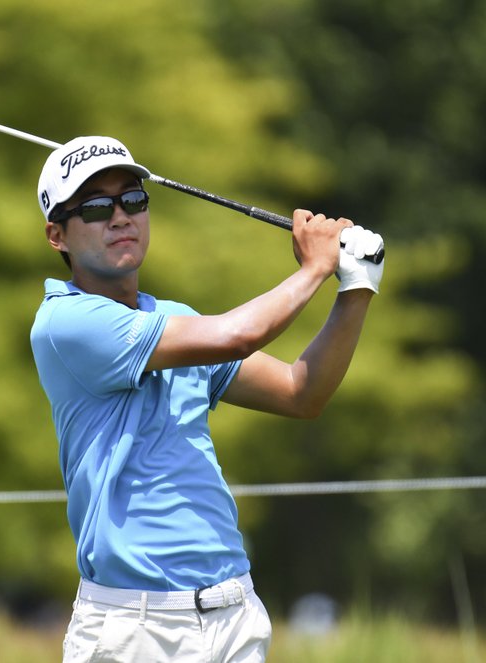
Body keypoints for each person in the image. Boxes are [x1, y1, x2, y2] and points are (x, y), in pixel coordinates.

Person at [30, 136, 384, 662]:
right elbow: (234, 336)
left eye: (133, 199)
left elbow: (299, 392)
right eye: (98, 207)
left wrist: (356, 287)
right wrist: (313, 268)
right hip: (133, 628)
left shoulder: (172, 316)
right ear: (57, 235)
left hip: (233, 614)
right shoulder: (66, 323)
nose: (121, 216)